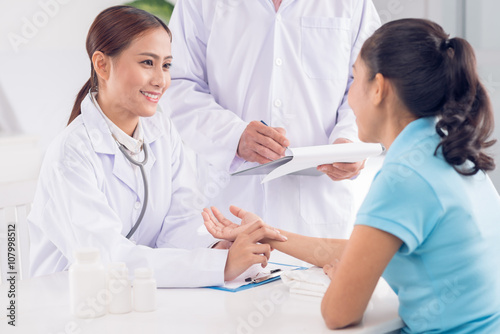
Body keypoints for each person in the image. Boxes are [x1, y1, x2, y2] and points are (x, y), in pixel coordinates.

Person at [202, 19, 500, 332]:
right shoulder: (445, 150)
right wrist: (266, 233)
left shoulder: (404, 178)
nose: (349, 97)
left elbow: (337, 314)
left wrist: (344, 282)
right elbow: (362, 250)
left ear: (379, 88)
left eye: (354, 78)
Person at [27, 5, 286, 287]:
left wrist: (218, 247)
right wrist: (220, 265)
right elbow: (107, 259)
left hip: (136, 300)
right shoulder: (70, 154)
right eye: (147, 63)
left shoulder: (161, 133)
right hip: (67, 307)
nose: (161, 80)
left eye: (166, 65)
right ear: (101, 64)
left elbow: (178, 224)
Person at [161, 0, 381, 238]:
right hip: (228, 208)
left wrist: (349, 140)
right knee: (227, 270)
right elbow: (179, 83)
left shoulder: (354, 4)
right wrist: (233, 136)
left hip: (319, 211)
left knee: (315, 276)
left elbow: (371, 81)